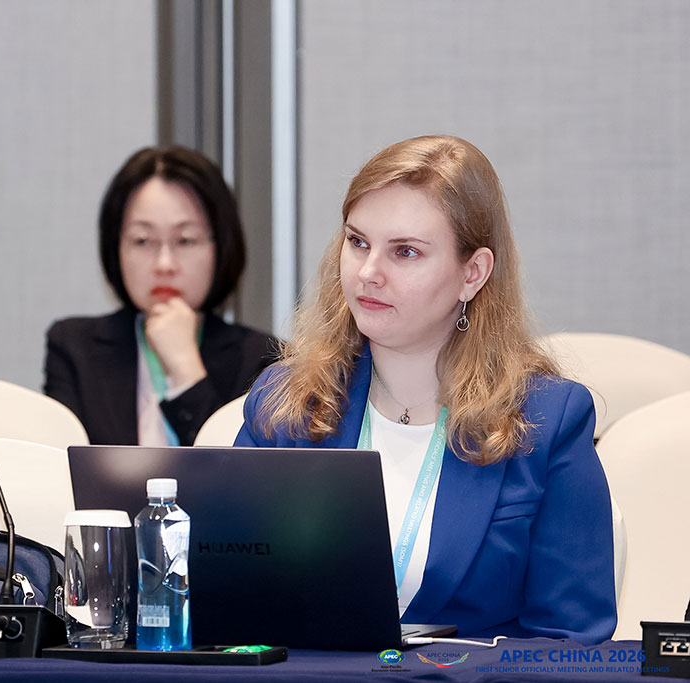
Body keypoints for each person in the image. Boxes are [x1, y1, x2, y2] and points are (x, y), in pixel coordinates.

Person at [235, 135, 616, 645]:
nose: (368, 273)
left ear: (472, 273)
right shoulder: (284, 401)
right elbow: (227, 605)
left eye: (406, 252)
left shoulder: (548, 420)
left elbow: (572, 642)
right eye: (358, 242)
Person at [45, 145, 279, 446]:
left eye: (185, 240)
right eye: (143, 240)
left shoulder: (264, 360)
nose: (164, 264)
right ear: (116, 248)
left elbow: (239, 469)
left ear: (221, 247)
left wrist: (186, 371)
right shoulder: (74, 348)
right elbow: (62, 463)